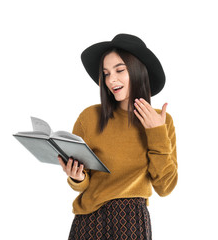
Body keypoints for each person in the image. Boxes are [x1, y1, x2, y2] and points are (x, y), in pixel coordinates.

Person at [58, 33, 178, 240]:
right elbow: (82, 181)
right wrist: (76, 177)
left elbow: (165, 187)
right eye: (105, 73)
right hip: (88, 220)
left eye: (119, 70)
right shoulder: (89, 117)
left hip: (131, 221)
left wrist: (156, 132)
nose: (111, 79)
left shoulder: (162, 122)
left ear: (139, 71)